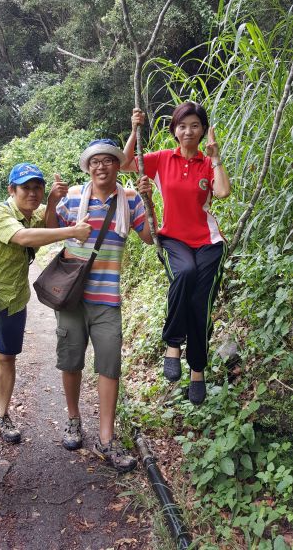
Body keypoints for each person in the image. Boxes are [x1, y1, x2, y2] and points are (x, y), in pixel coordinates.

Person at [0, 163, 91, 443]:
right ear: (11, 190)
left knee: (6, 358)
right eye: (25, 188)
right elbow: (23, 238)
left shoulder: (38, 213)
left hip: (15, 296)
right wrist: (72, 232)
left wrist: (53, 201)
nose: (32, 193)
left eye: (37, 188)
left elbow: (50, 223)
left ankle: (2, 415)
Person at [46, 140, 153, 473]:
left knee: (109, 364)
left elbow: (151, 236)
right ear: (88, 167)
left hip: (107, 300)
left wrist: (150, 200)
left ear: (117, 165)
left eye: (108, 161)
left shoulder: (130, 199)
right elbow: (50, 230)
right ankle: (74, 420)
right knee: (71, 360)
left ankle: (106, 439)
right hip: (71, 298)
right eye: (95, 162)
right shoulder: (75, 196)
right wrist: (52, 200)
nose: (101, 167)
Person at [122, 102, 231, 405]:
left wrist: (216, 156)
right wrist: (134, 129)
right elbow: (125, 162)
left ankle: (197, 371)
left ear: (203, 129)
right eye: (182, 126)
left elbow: (222, 193)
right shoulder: (161, 159)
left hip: (208, 242)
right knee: (184, 273)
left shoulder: (208, 162)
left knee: (201, 305)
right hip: (173, 239)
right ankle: (173, 344)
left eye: (195, 125)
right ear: (174, 130)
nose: (188, 131)